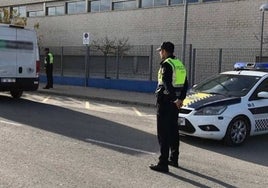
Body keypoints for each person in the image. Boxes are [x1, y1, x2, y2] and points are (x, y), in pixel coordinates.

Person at [149, 42, 188, 173]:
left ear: (165, 51)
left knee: (163, 133)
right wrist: (180, 99)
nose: (160, 53)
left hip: (166, 103)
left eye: (161, 51)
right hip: (175, 105)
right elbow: (185, 84)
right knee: (173, 131)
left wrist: (175, 99)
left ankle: (163, 163)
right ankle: (174, 158)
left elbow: (166, 83)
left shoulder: (166, 64)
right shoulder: (179, 64)